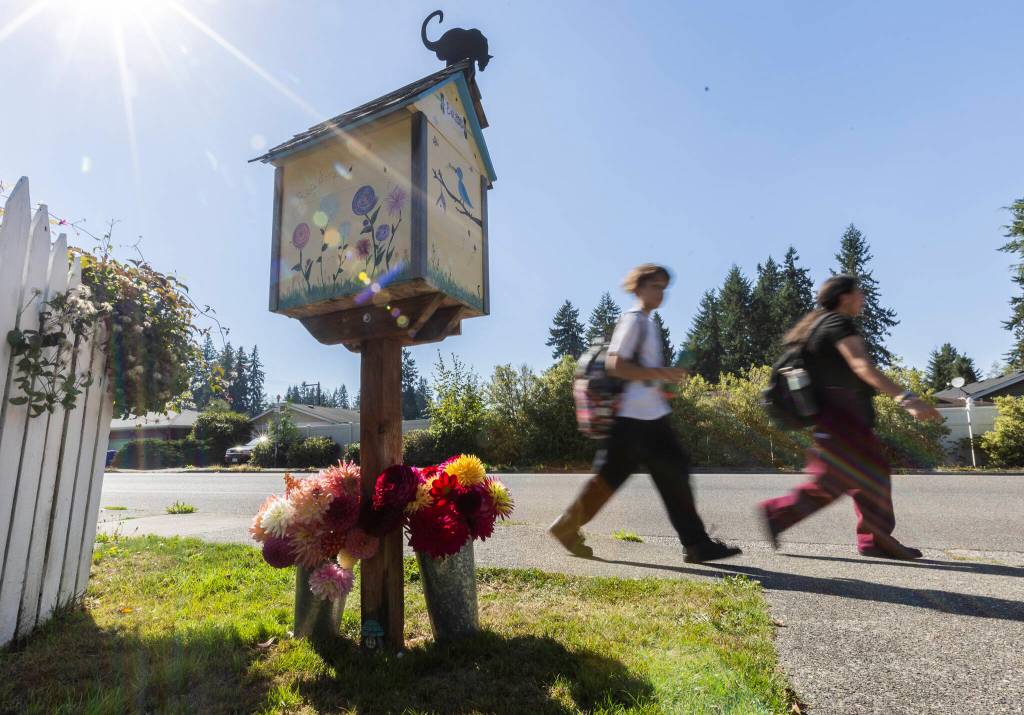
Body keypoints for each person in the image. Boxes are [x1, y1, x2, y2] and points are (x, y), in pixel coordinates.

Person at [548, 264, 742, 563]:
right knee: (612, 481)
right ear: (638, 289)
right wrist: (662, 373)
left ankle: (696, 543)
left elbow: (642, 375)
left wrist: (663, 382)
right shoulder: (634, 320)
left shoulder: (648, 323)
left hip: (652, 418)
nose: (660, 292)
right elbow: (616, 365)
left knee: (673, 477)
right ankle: (566, 526)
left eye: (664, 287)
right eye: (655, 286)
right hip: (632, 421)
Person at [760, 274, 941, 559]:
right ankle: (780, 514)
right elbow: (861, 366)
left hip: (836, 418)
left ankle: (870, 538)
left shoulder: (816, 327)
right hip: (843, 419)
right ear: (844, 296)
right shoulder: (837, 323)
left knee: (860, 477)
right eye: (860, 293)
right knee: (856, 477)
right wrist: (907, 399)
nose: (863, 298)